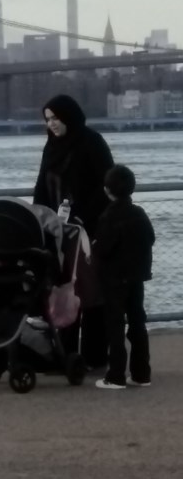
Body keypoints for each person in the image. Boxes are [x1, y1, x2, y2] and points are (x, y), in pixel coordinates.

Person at [33, 94, 114, 369]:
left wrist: (82, 216)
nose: (52, 124)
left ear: (69, 116)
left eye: (56, 118)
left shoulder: (92, 142)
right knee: (62, 292)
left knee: (90, 293)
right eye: (48, 119)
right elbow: (42, 186)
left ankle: (94, 355)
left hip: (87, 231)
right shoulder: (51, 147)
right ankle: (64, 354)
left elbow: (106, 186)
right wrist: (39, 218)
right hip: (58, 233)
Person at [93, 165, 155, 390]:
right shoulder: (139, 213)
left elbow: (103, 249)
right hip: (137, 275)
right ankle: (141, 373)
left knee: (115, 324)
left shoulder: (109, 216)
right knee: (138, 321)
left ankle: (116, 374)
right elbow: (151, 237)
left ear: (107, 190)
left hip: (115, 277)